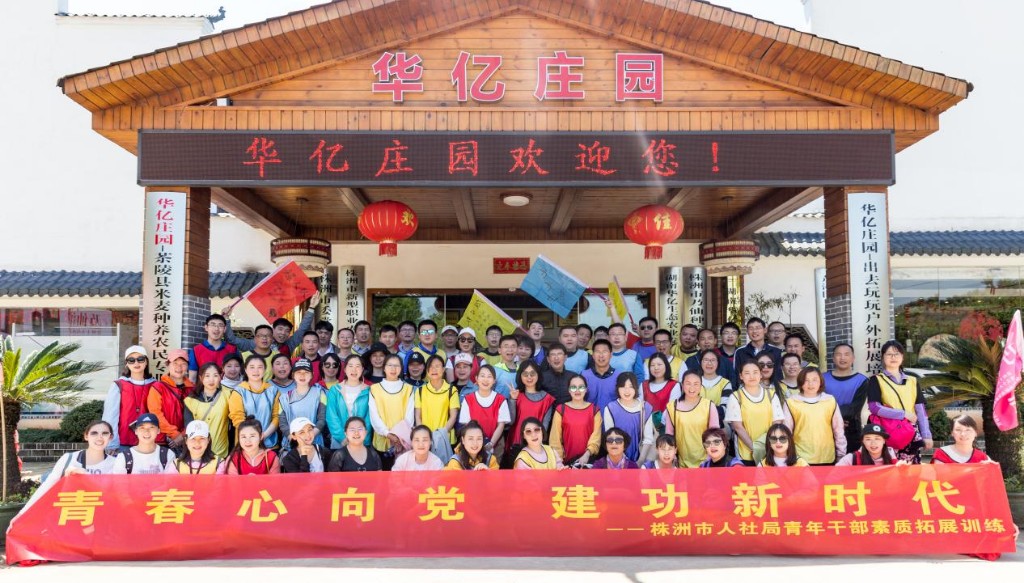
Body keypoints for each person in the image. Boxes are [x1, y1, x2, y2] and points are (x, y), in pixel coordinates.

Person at [25, 420, 118, 510]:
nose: (99, 437)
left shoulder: (115, 463)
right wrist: (22, 513)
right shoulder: (69, 458)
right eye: (94, 433)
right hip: (71, 513)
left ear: (110, 437)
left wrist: (86, 475)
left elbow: (117, 495)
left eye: (105, 433)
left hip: (103, 514)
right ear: (86, 436)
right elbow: (46, 487)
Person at [865, 340, 932, 463]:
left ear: (902, 357)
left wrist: (926, 435)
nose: (893, 357)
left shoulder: (913, 381)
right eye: (889, 354)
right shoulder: (876, 380)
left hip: (910, 432)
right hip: (888, 432)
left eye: (897, 354)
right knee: (888, 469)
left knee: (912, 470)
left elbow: (921, 411)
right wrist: (903, 414)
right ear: (883, 357)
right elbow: (874, 407)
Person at [726, 361, 790, 466]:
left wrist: (767, 445)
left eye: (755, 372)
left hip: (770, 449)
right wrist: (754, 448)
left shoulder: (771, 395)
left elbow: (777, 422)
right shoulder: (736, 397)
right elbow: (737, 427)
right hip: (745, 452)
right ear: (741, 376)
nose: (752, 376)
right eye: (747, 373)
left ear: (760, 375)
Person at [223, 293, 319, 357]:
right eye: (280, 329)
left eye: (287, 331)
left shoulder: (288, 345)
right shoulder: (254, 343)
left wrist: (311, 308)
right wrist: (226, 318)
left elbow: (302, 330)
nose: (283, 333)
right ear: (273, 330)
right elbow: (232, 340)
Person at [102, 345, 157, 451]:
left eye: (140, 359)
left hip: (149, 441)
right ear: (127, 364)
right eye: (131, 360)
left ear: (146, 361)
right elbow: (110, 416)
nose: (136, 363)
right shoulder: (118, 385)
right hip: (123, 442)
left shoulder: (155, 385)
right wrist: (111, 443)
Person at [788, 367, 846, 465]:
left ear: (820, 382)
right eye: (806, 380)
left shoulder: (829, 400)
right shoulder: (792, 402)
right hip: (800, 457)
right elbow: (787, 431)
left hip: (826, 455)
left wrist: (841, 454)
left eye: (815, 380)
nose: (810, 384)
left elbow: (838, 429)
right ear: (800, 382)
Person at [367, 353, 415, 469]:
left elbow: (409, 416)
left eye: (397, 366)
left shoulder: (408, 389)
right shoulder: (375, 389)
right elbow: (374, 415)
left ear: (401, 368)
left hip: (403, 441)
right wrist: (387, 433)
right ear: (384, 368)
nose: (393, 369)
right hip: (382, 439)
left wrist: (399, 437)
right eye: (390, 365)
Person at [665, 371, 721, 468]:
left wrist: (709, 458)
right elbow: (669, 435)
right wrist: (672, 456)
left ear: (701, 386)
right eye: (688, 383)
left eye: (696, 384)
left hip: (705, 461)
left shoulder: (708, 405)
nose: (692, 388)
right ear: (682, 385)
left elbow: (715, 435)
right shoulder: (672, 406)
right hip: (681, 462)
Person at [227, 355, 282, 450]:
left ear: (265, 370)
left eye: (260, 367)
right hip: (245, 444)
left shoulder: (273, 391)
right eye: (252, 367)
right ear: (245, 370)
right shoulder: (238, 391)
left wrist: (263, 435)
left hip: (269, 443)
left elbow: (277, 417)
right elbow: (237, 419)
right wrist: (252, 438)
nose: (256, 371)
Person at [506, 360, 556, 461]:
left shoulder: (547, 399)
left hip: (536, 445)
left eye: (532, 373)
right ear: (520, 376)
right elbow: (510, 421)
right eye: (525, 374)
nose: (529, 377)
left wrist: (536, 442)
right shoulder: (516, 395)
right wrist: (513, 399)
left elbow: (544, 427)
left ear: (538, 375)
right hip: (516, 443)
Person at [549, 374, 602, 467]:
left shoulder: (594, 410)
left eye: (581, 387)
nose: (577, 390)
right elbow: (555, 439)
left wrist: (587, 454)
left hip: (588, 461)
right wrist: (559, 462)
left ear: (586, 389)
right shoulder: (561, 409)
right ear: (569, 390)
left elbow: (596, 437)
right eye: (573, 387)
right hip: (566, 463)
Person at [459, 364, 510, 458]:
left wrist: (491, 444)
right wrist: (477, 442)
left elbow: (501, 425)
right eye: (482, 376)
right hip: (473, 445)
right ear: (476, 379)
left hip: (496, 445)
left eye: (489, 376)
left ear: (494, 381)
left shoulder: (501, 400)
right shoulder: (468, 399)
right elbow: (467, 425)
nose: (485, 380)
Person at [823, 343, 869, 448]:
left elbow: (855, 407)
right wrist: (834, 422)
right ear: (833, 358)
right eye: (838, 354)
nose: (842, 357)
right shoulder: (822, 379)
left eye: (846, 354)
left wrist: (836, 420)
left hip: (851, 430)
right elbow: (818, 404)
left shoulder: (862, 380)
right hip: (826, 428)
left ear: (853, 358)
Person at [602, 372, 654, 463]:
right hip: (618, 460)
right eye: (623, 386)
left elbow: (648, 439)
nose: (627, 390)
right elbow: (610, 438)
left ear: (636, 388)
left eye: (631, 386)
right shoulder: (611, 408)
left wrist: (640, 461)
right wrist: (624, 462)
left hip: (641, 459)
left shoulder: (646, 408)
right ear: (617, 388)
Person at [183, 362, 231, 460]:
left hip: (220, 453)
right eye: (207, 376)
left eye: (215, 375)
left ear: (221, 377)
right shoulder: (191, 401)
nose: (211, 380)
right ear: (201, 378)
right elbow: (190, 428)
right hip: (198, 452)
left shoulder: (228, 395)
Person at [277, 358, 327, 453]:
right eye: (298, 372)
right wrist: (295, 439)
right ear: (293, 375)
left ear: (312, 375)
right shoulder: (284, 398)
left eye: (306, 372)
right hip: (292, 444)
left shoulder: (320, 394)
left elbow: (322, 419)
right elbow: (283, 423)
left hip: (315, 442)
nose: (302, 375)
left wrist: (309, 437)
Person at [326, 354, 372, 449]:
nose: (354, 370)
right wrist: (342, 438)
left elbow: (369, 418)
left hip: (362, 441)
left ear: (362, 369)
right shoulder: (335, 390)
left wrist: (361, 438)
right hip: (340, 442)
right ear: (345, 369)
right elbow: (331, 416)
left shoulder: (368, 390)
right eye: (350, 366)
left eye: (357, 366)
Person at [415, 354, 460, 449]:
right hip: (426, 440)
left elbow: (453, 416)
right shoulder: (420, 390)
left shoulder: (452, 390)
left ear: (443, 369)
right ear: (427, 370)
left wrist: (440, 435)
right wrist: (424, 435)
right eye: (430, 366)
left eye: (437, 366)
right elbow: (418, 417)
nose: (434, 369)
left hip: (445, 439)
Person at [111, 413, 177, 474]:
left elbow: (170, 481)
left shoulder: (168, 455)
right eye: (142, 428)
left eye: (151, 427)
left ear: (158, 430)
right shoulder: (123, 457)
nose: (146, 431)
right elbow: (119, 482)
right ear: (136, 431)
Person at [188, 313, 237, 383]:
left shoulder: (232, 350)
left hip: (227, 389)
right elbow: (192, 378)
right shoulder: (196, 350)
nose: (216, 328)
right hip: (203, 389)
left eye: (220, 325)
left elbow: (237, 376)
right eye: (213, 325)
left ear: (224, 329)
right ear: (206, 327)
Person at [835, 423, 904, 466]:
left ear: (884, 441)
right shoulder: (851, 458)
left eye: (877, 439)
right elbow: (834, 475)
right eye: (868, 439)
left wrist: (903, 470)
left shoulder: (892, 458)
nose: (873, 443)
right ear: (863, 441)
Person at [642, 353, 677, 435]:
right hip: (646, 429)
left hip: (666, 430)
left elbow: (671, 408)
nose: (656, 368)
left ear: (666, 366)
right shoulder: (643, 385)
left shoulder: (674, 385)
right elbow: (640, 408)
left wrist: (658, 423)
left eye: (659, 364)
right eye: (652, 365)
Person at [582, 339, 618, 410]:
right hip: (590, 416)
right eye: (597, 351)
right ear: (593, 355)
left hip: (612, 416)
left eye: (604, 351)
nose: (601, 355)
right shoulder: (584, 375)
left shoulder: (619, 376)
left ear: (611, 355)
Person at [492, 335, 519, 399]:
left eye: (513, 346)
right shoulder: (493, 370)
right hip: (498, 404)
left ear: (517, 349)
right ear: (499, 350)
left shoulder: (522, 370)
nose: (510, 349)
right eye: (506, 346)